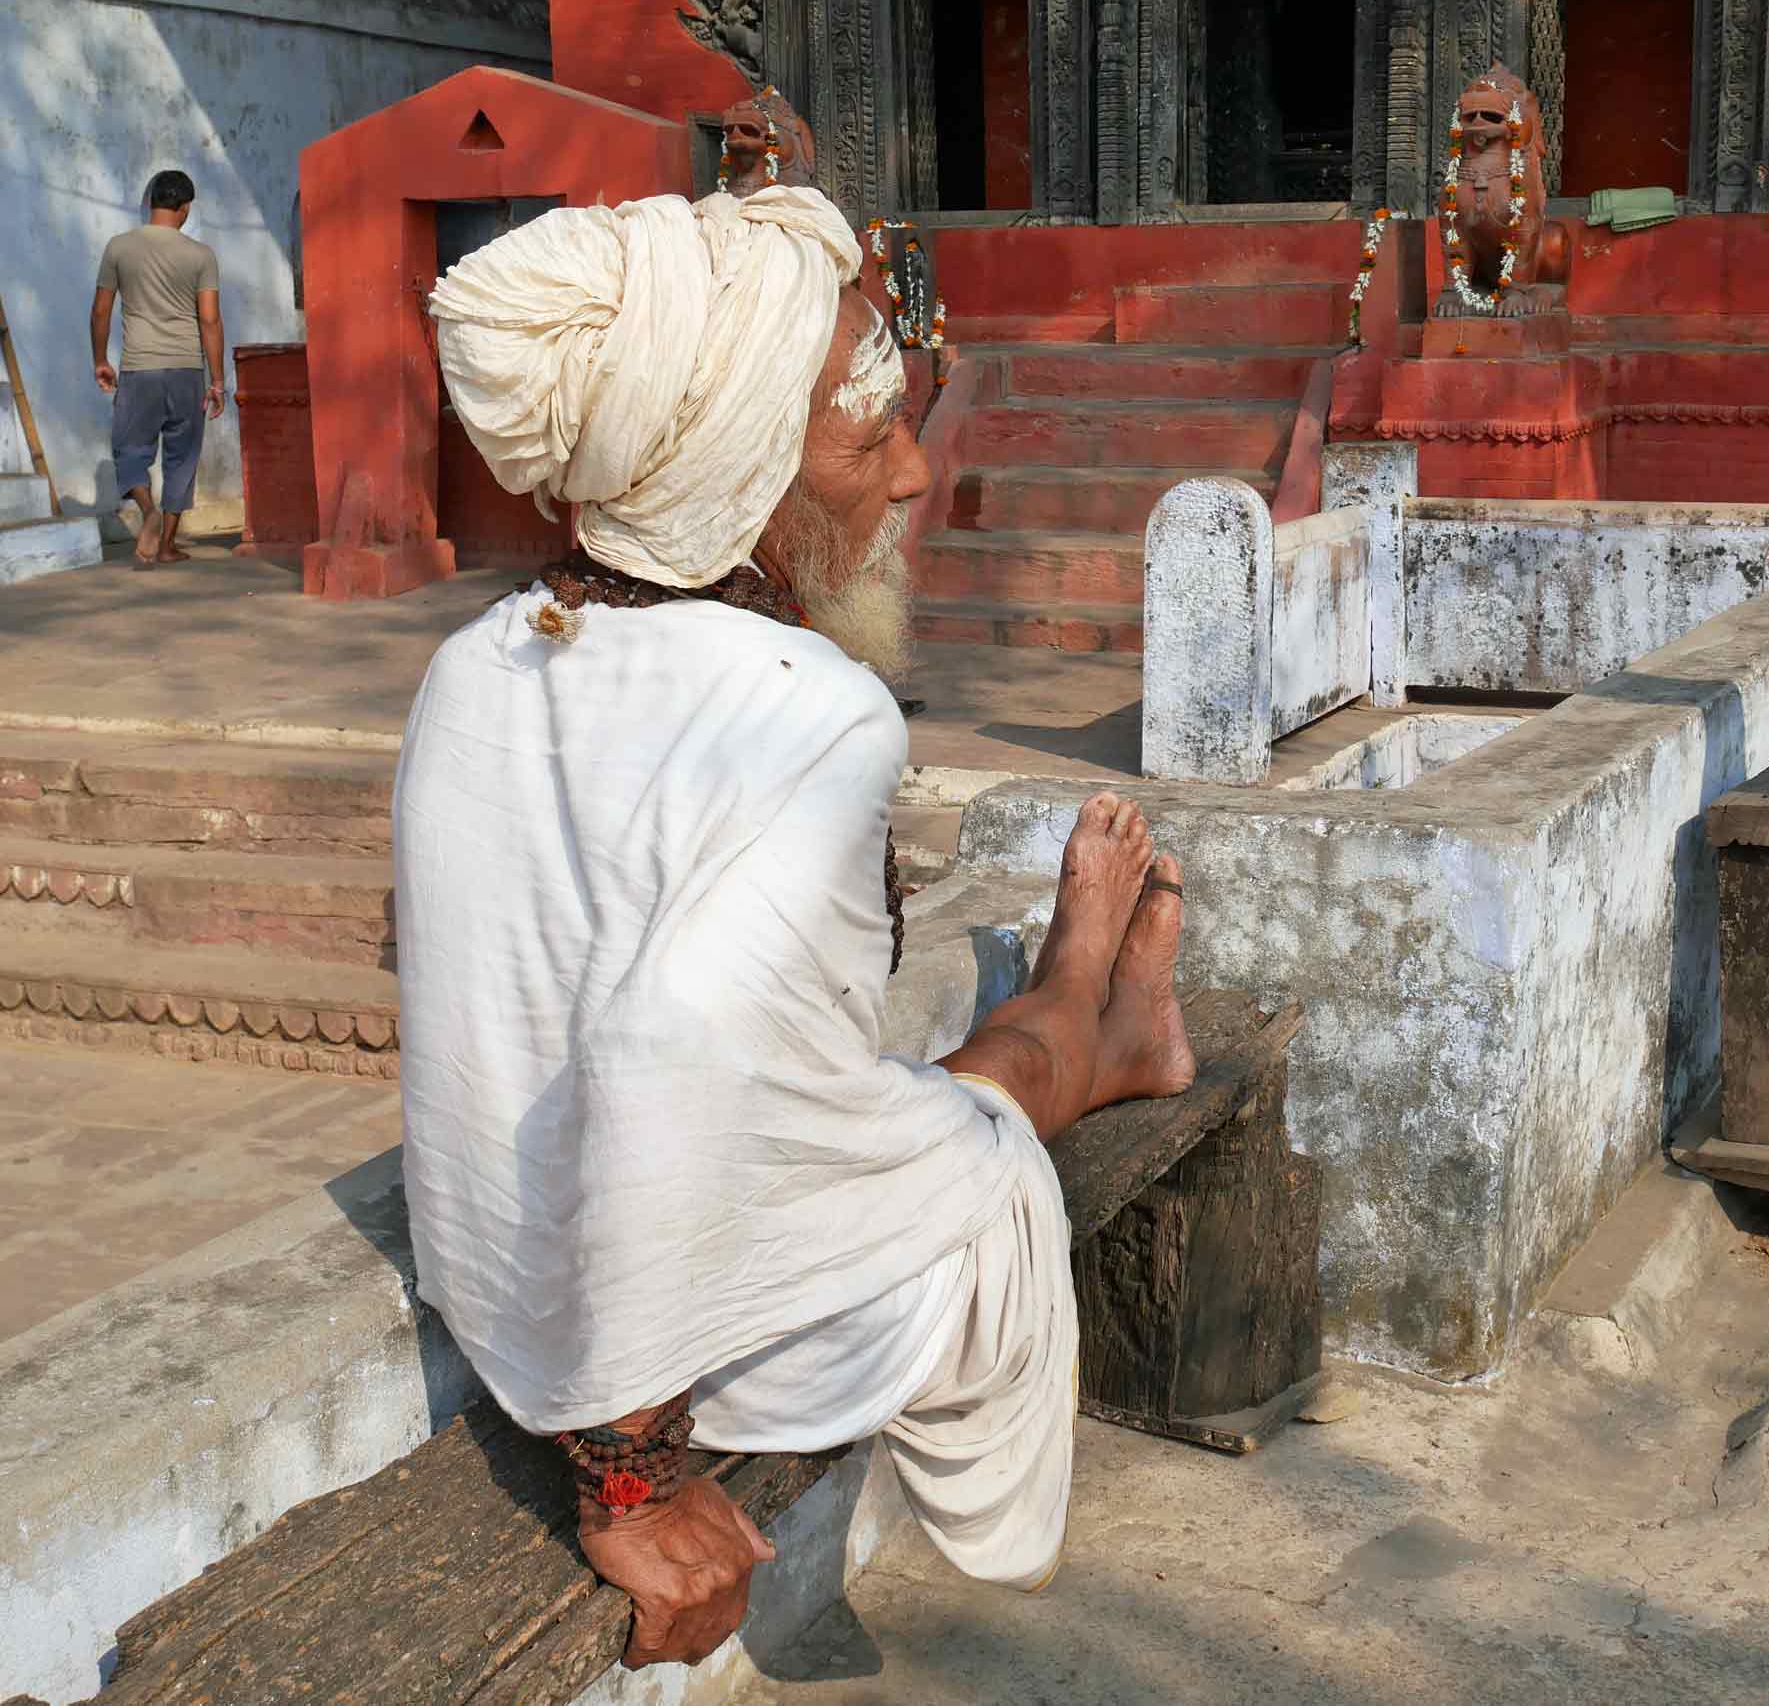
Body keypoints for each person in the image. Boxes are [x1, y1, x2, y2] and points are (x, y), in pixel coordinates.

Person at [394, 180, 1195, 1671]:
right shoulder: (819, 715)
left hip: (518, 1311)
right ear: (739, 470)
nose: (910, 475)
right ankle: (1100, 1012)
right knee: (974, 1141)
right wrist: (631, 1473)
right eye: (867, 430)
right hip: (703, 1356)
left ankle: (1092, 1006)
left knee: (884, 1105)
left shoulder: (473, 663)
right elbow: (664, 1051)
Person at [90, 168, 224, 566]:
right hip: (186, 370)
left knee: (130, 449)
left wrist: (100, 360)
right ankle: (166, 544)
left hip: (138, 369)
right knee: (182, 457)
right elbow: (210, 320)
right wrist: (216, 381)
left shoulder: (119, 248)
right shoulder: (201, 255)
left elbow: (100, 310)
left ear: (151, 204)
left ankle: (146, 508)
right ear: (184, 209)